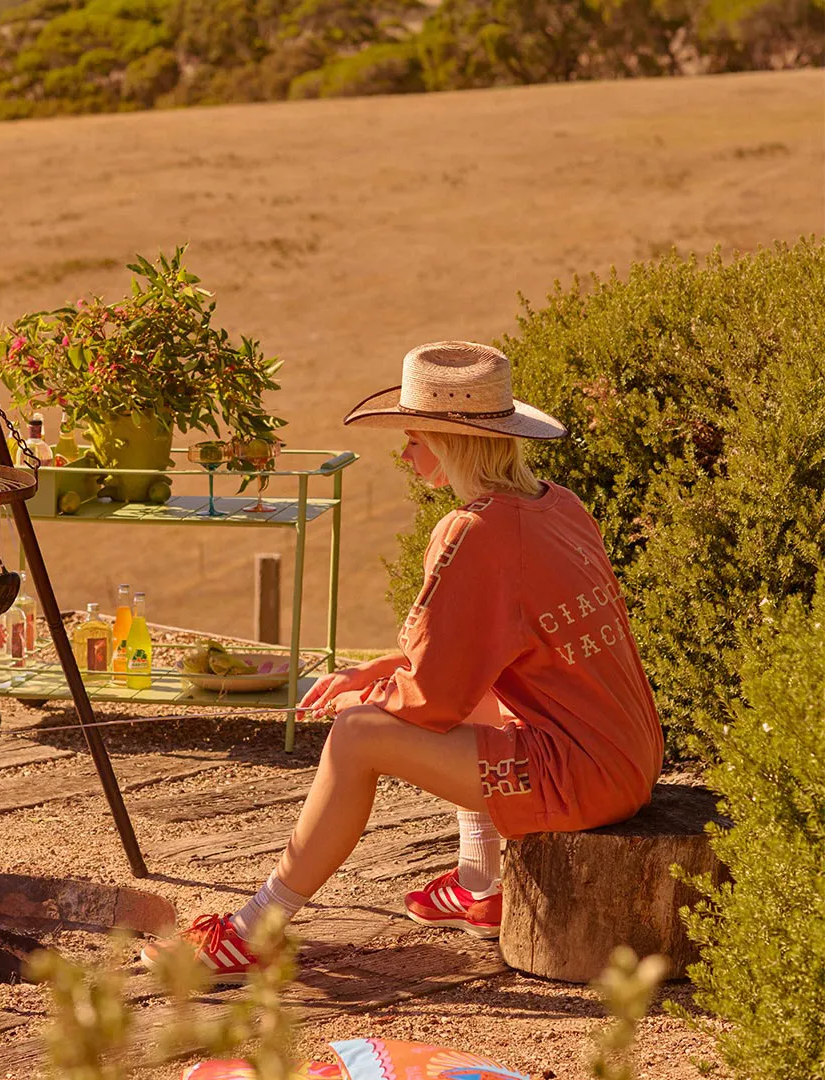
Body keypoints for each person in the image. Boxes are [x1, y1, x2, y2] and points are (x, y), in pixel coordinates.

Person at [142, 341, 664, 982]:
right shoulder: (558, 506)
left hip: (581, 778)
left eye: (414, 439)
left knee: (357, 736)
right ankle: (480, 884)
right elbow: (491, 644)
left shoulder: (473, 531)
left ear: (450, 444)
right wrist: (379, 669)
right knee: (443, 697)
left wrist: (362, 701)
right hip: (629, 753)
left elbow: (432, 700)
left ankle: (254, 932)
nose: (405, 454)